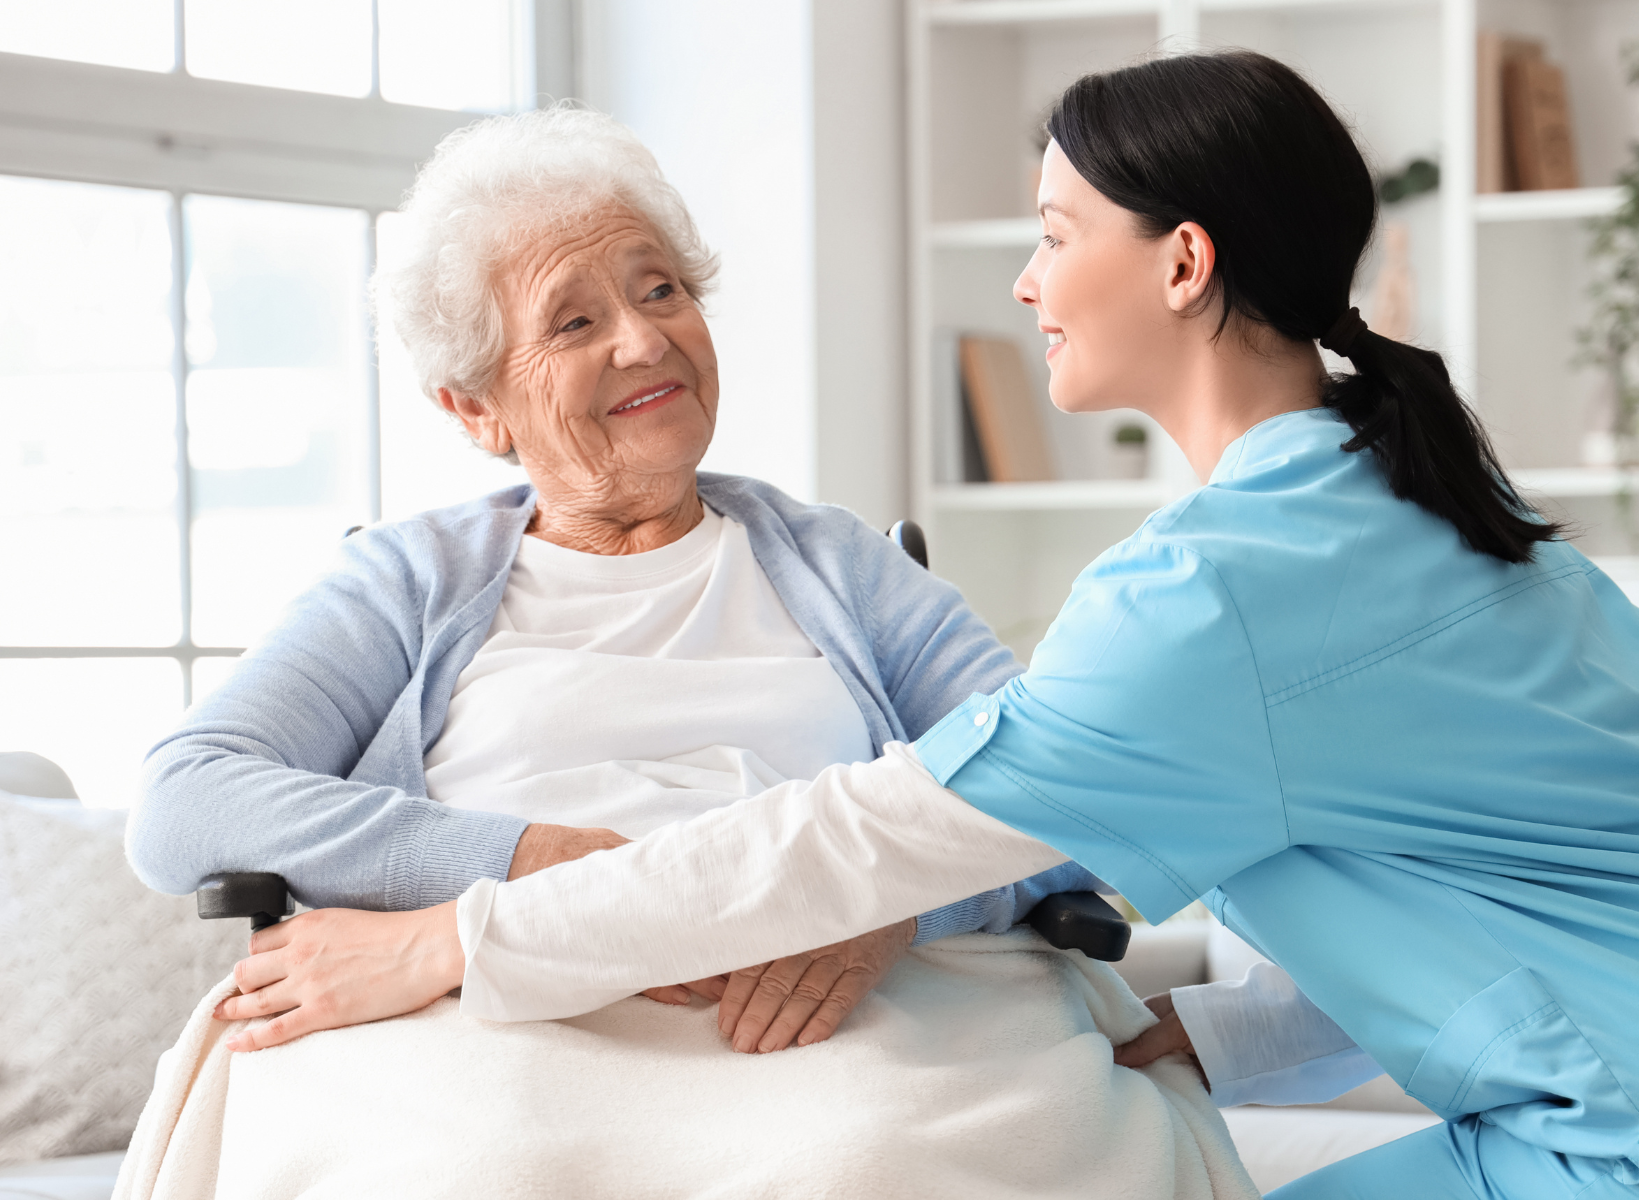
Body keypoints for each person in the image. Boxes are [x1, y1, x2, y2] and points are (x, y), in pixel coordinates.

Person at [215, 52, 1639, 1198]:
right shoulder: (1452, 520)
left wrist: (451, 940)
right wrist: (1207, 1031)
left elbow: (874, 833)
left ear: (1180, 264)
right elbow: (1514, 895)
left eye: (1050, 235)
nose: (1023, 284)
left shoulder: (1218, 591)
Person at [126, 104, 1104, 1053]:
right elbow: (186, 800)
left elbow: (1073, 797)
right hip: (500, 1040)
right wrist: (527, 864)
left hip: (824, 1038)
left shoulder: (843, 565)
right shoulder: (405, 580)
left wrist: (889, 904)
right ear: (476, 409)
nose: (643, 341)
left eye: (660, 290)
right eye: (574, 321)